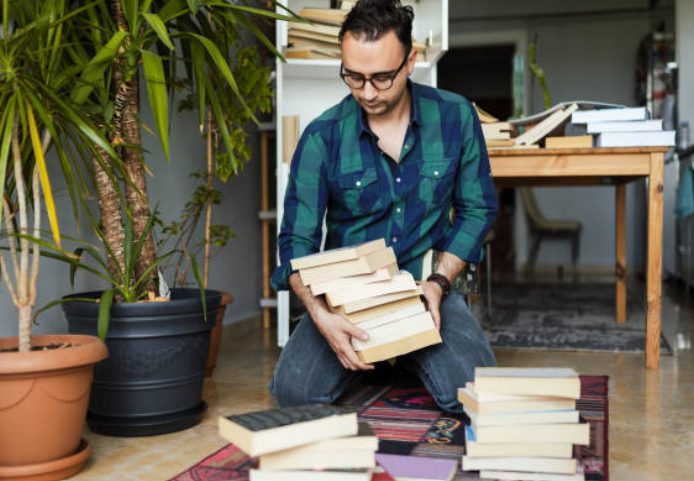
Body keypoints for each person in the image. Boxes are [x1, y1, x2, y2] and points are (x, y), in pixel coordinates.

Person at [269, 0, 498, 413]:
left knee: (471, 394)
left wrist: (439, 283)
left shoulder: (456, 117)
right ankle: (391, 354)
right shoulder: (322, 136)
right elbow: (295, 241)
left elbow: (478, 209)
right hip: (347, 299)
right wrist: (321, 317)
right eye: (353, 77)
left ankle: (403, 356)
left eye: (381, 78)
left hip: (427, 290)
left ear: (410, 60)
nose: (368, 92)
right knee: (294, 394)